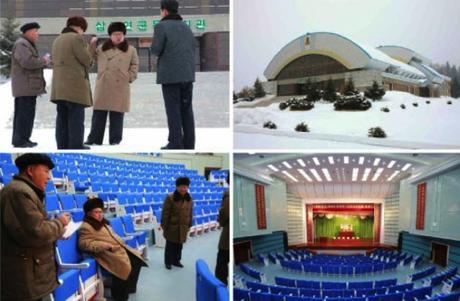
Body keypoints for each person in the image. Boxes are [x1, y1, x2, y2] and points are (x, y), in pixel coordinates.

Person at [0, 153, 70, 301]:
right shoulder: (19, 192)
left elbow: (31, 227)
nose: (49, 177)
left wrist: (57, 232)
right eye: (45, 171)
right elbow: (36, 233)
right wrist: (60, 223)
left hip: (29, 273)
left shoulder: (25, 190)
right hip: (22, 277)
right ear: (31, 170)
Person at [78, 197, 147, 301]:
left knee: (137, 260)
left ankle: (129, 288)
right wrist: (102, 245)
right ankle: (119, 296)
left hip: (118, 248)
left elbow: (113, 235)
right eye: (96, 212)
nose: (100, 214)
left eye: (101, 211)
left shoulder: (103, 222)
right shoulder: (86, 226)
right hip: (107, 254)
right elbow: (83, 243)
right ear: (89, 213)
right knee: (123, 266)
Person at [151, 0, 196, 149]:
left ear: (164, 11)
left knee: (173, 110)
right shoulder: (186, 27)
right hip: (187, 75)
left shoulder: (161, 26)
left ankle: (175, 142)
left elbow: (156, 50)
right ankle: (189, 143)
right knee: (186, 110)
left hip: (170, 76)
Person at [85, 22, 139, 146]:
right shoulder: (101, 48)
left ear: (124, 35)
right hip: (103, 84)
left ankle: (115, 140)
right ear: (110, 35)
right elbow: (89, 57)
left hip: (120, 85)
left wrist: (128, 77)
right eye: (115, 34)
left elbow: (134, 66)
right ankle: (94, 139)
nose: (118, 37)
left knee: (117, 116)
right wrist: (92, 44)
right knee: (98, 114)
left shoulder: (131, 50)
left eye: (120, 34)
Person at [50, 16, 96, 149]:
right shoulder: (76, 38)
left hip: (59, 87)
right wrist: (90, 47)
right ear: (79, 27)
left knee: (62, 118)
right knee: (76, 118)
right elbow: (87, 60)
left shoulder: (57, 39)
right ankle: (76, 145)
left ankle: (62, 145)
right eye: (83, 30)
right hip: (74, 86)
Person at [10, 22, 50, 148]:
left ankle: (24, 138)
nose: (37, 34)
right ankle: (20, 140)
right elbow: (27, 62)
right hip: (24, 86)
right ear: (27, 32)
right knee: (23, 115)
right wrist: (43, 61)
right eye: (35, 31)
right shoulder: (21, 44)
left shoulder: (26, 44)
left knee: (27, 114)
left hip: (28, 86)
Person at [161, 176, 193, 269]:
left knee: (179, 246)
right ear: (177, 187)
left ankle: (176, 261)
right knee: (170, 245)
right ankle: (168, 262)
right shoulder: (170, 197)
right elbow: (165, 213)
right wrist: (164, 226)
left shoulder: (189, 198)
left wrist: (189, 224)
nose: (184, 189)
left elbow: (190, 212)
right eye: (181, 187)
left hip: (183, 226)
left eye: (185, 187)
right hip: (172, 227)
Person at [215, 179, 229, 285]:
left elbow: (223, 213)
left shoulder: (228, 197)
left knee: (222, 259)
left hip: (227, 233)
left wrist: (221, 223)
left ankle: (221, 283)